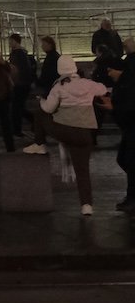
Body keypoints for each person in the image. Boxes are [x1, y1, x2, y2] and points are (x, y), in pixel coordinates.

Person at [39, 54, 110, 216]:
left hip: (65, 131)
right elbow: (102, 89)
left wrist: (41, 102)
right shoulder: (87, 84)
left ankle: (38, 143)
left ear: (59, 69)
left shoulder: (59, 86)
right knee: (83, 170)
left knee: (40, 115)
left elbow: (48, 109)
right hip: (85, 134)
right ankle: (86, 205)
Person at [112, 39, 135, 210]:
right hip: (130, 122)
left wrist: (114, 106)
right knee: (125, 158)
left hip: (131, 122)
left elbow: (128, 98)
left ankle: (132, 198)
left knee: (127, 159)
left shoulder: (129, 69)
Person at [7, 33, 36, 135]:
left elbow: (23, 70)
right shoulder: (18, 53)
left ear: (15, 41)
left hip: (20, 84)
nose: (9, 43)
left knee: (17, 108)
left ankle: (18, 129)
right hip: (21, 83)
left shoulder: (19, 54)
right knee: (18, 107)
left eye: (10, 41)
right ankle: (30, 123)